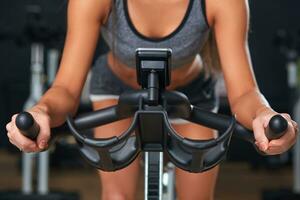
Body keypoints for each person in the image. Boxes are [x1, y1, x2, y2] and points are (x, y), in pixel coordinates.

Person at [5, 0, 298, 199]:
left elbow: (244, 93)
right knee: (117, 196)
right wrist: (42, 110)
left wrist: (262, 114)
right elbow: (66, 89)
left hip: (189, 97)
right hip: (118, 93)